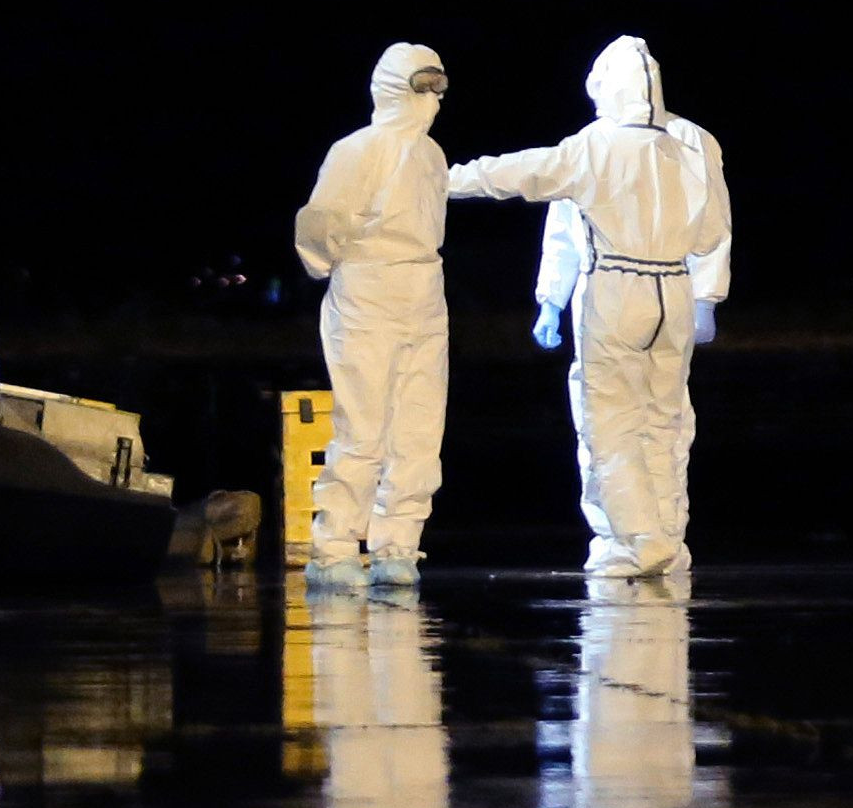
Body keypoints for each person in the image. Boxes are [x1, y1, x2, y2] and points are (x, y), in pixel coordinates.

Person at [446, 37, 730, 583]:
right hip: (671, 286)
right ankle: (663, 538)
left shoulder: (594, 146)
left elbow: (520, 177)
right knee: (665, 421)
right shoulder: (689, 144)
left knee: (608, 423)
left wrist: (443, 180)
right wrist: (705, 294)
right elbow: (715, 228)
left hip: (616, 287)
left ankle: (637, 538)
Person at [294, 43, 456, 585]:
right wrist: (333, 266)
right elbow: (320, 224)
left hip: (424, 289)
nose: (433, 97)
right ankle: (336, 545)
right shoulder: (356, 150)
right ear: (393, 86)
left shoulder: (431, 155)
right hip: (368, 287)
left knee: (419, 424)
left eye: (439, 84)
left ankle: (398, 543)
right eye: (422, 84)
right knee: (363, 424)